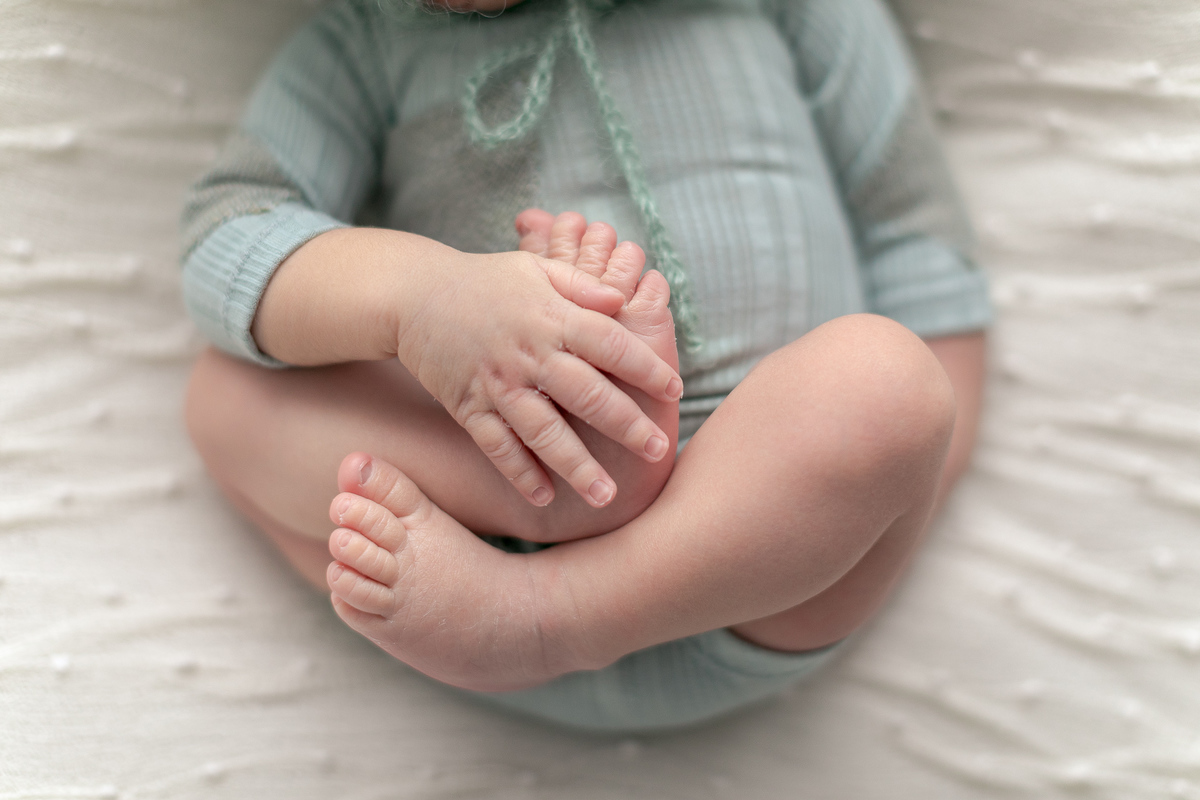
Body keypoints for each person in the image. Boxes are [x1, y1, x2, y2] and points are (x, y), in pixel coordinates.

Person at [181, 0, 991, 730]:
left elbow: (919, 246)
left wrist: (899, 480)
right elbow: (226, 234)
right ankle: (553, 504)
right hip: (455, 571)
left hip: (768, 585)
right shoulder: (368, 40)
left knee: (889, 381)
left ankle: (547, 614)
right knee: (225, 392)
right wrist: (419, 298)